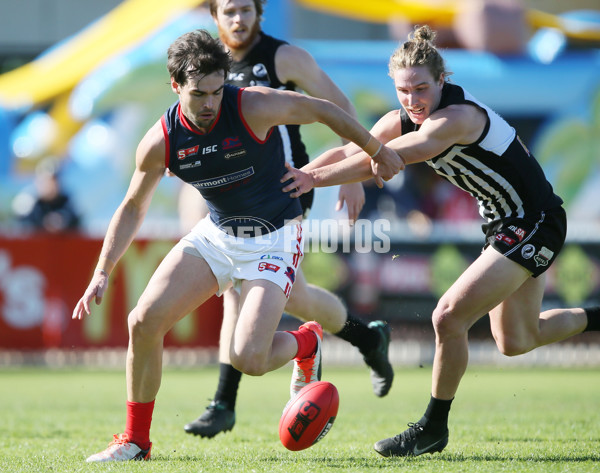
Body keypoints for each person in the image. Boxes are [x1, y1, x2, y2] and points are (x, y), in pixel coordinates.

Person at [72, 29, 401, 462]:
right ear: (175, 87)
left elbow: (322, 109)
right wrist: (101, 271)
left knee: (249, 357)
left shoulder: (253, 105)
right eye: (198, 94)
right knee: (142, 322)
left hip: (275, 240)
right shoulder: (161, 140)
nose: (210, 103)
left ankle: (307, 343)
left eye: (216, 90)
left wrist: (374, 150)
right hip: (217, 235)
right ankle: (136, 441)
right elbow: (133, 206)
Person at [281, 24, 600, 458]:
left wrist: (311, 179)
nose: (413, 100)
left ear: (442, 81)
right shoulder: (405, 117)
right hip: (505, 224)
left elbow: (386, 158)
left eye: (422, 88)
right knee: (518, 340)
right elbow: (356, 146)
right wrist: (292, 175)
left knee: (447, 317)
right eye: (403, 91)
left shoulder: (456, 118)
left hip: (536, 221)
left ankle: (432, 427)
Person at [182, 0, 396, 439]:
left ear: (260, 13)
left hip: (284, 192)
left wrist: (353, 175)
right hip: (231, 197)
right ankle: (367, 339)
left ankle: (223, 403)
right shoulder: (206, 68)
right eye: (228, 10)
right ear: (215, 17)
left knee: (236, 291)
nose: (238, 18)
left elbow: (336, 104)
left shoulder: (284, 58)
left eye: (246, 8)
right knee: (296, 298)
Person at [13, 157, 80, 233]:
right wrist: (43, 223)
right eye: (47, 180)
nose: (50, 184)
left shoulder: (65, 201)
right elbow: (22, 227)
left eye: (54, 179)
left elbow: (75, 221)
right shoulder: (29, 201)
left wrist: (61, 220)